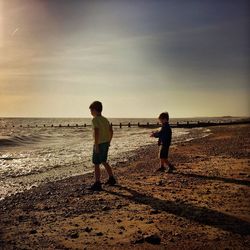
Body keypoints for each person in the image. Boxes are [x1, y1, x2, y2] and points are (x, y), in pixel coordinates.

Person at [89, 101, 116, 191]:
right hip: (105, 143)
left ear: (95, 110)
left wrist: (96, 145)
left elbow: (96, 132)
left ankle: (97, 183)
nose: (91, 112)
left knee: (96, 163)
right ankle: (111, 178)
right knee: (104, 161)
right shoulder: (105, 119)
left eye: (91, 110)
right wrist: (109, 141)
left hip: (99, 143)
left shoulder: (95, 120)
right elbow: (111, 131)